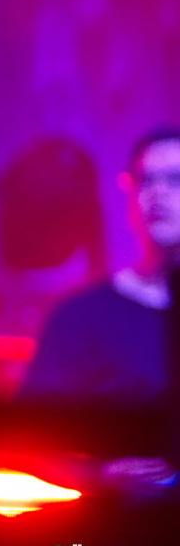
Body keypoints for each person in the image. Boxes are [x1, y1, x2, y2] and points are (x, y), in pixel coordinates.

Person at [19, 125, 180, 403]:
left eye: (176, 179)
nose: (158, 192)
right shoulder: (79, 318)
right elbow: (38, 422)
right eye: (145, 180)